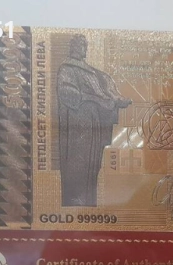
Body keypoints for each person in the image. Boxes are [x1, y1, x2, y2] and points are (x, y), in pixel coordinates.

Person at [57, 34, 132, 207]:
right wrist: (95, 99)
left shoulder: (92, 71)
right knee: (79, 165)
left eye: (85, 46)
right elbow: (67, 94)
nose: (84, 49)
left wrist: (115, 99)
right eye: (81, 45)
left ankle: (87, 203)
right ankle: (76, 202)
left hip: (93, 124)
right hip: (78, 128)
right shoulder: (67, 69)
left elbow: (104, 88)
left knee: (92, 165)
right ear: (74, 47)